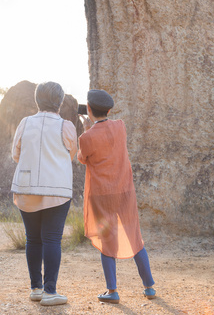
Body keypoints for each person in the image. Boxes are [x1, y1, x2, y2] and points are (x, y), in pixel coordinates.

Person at [77, 89, 156, 304]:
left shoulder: (86, 137)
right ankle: (149, 287)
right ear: (110, 109)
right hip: (124, 191)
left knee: (107, 239)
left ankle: (112, 290)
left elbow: (82, 158)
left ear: (89, 109)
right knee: (134, 236)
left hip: (102, 194)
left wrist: (86, 129)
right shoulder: (121, 126)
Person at [11, 81, 77, 306]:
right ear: (59, 102)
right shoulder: (66, 126)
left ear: (36, 100)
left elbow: (15, 154)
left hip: (26, 187)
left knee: (33, 238)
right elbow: (71, 155)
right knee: (52, 239)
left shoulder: (25, 123)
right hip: (56, 189)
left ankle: (36, 289)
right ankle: (50, 291)